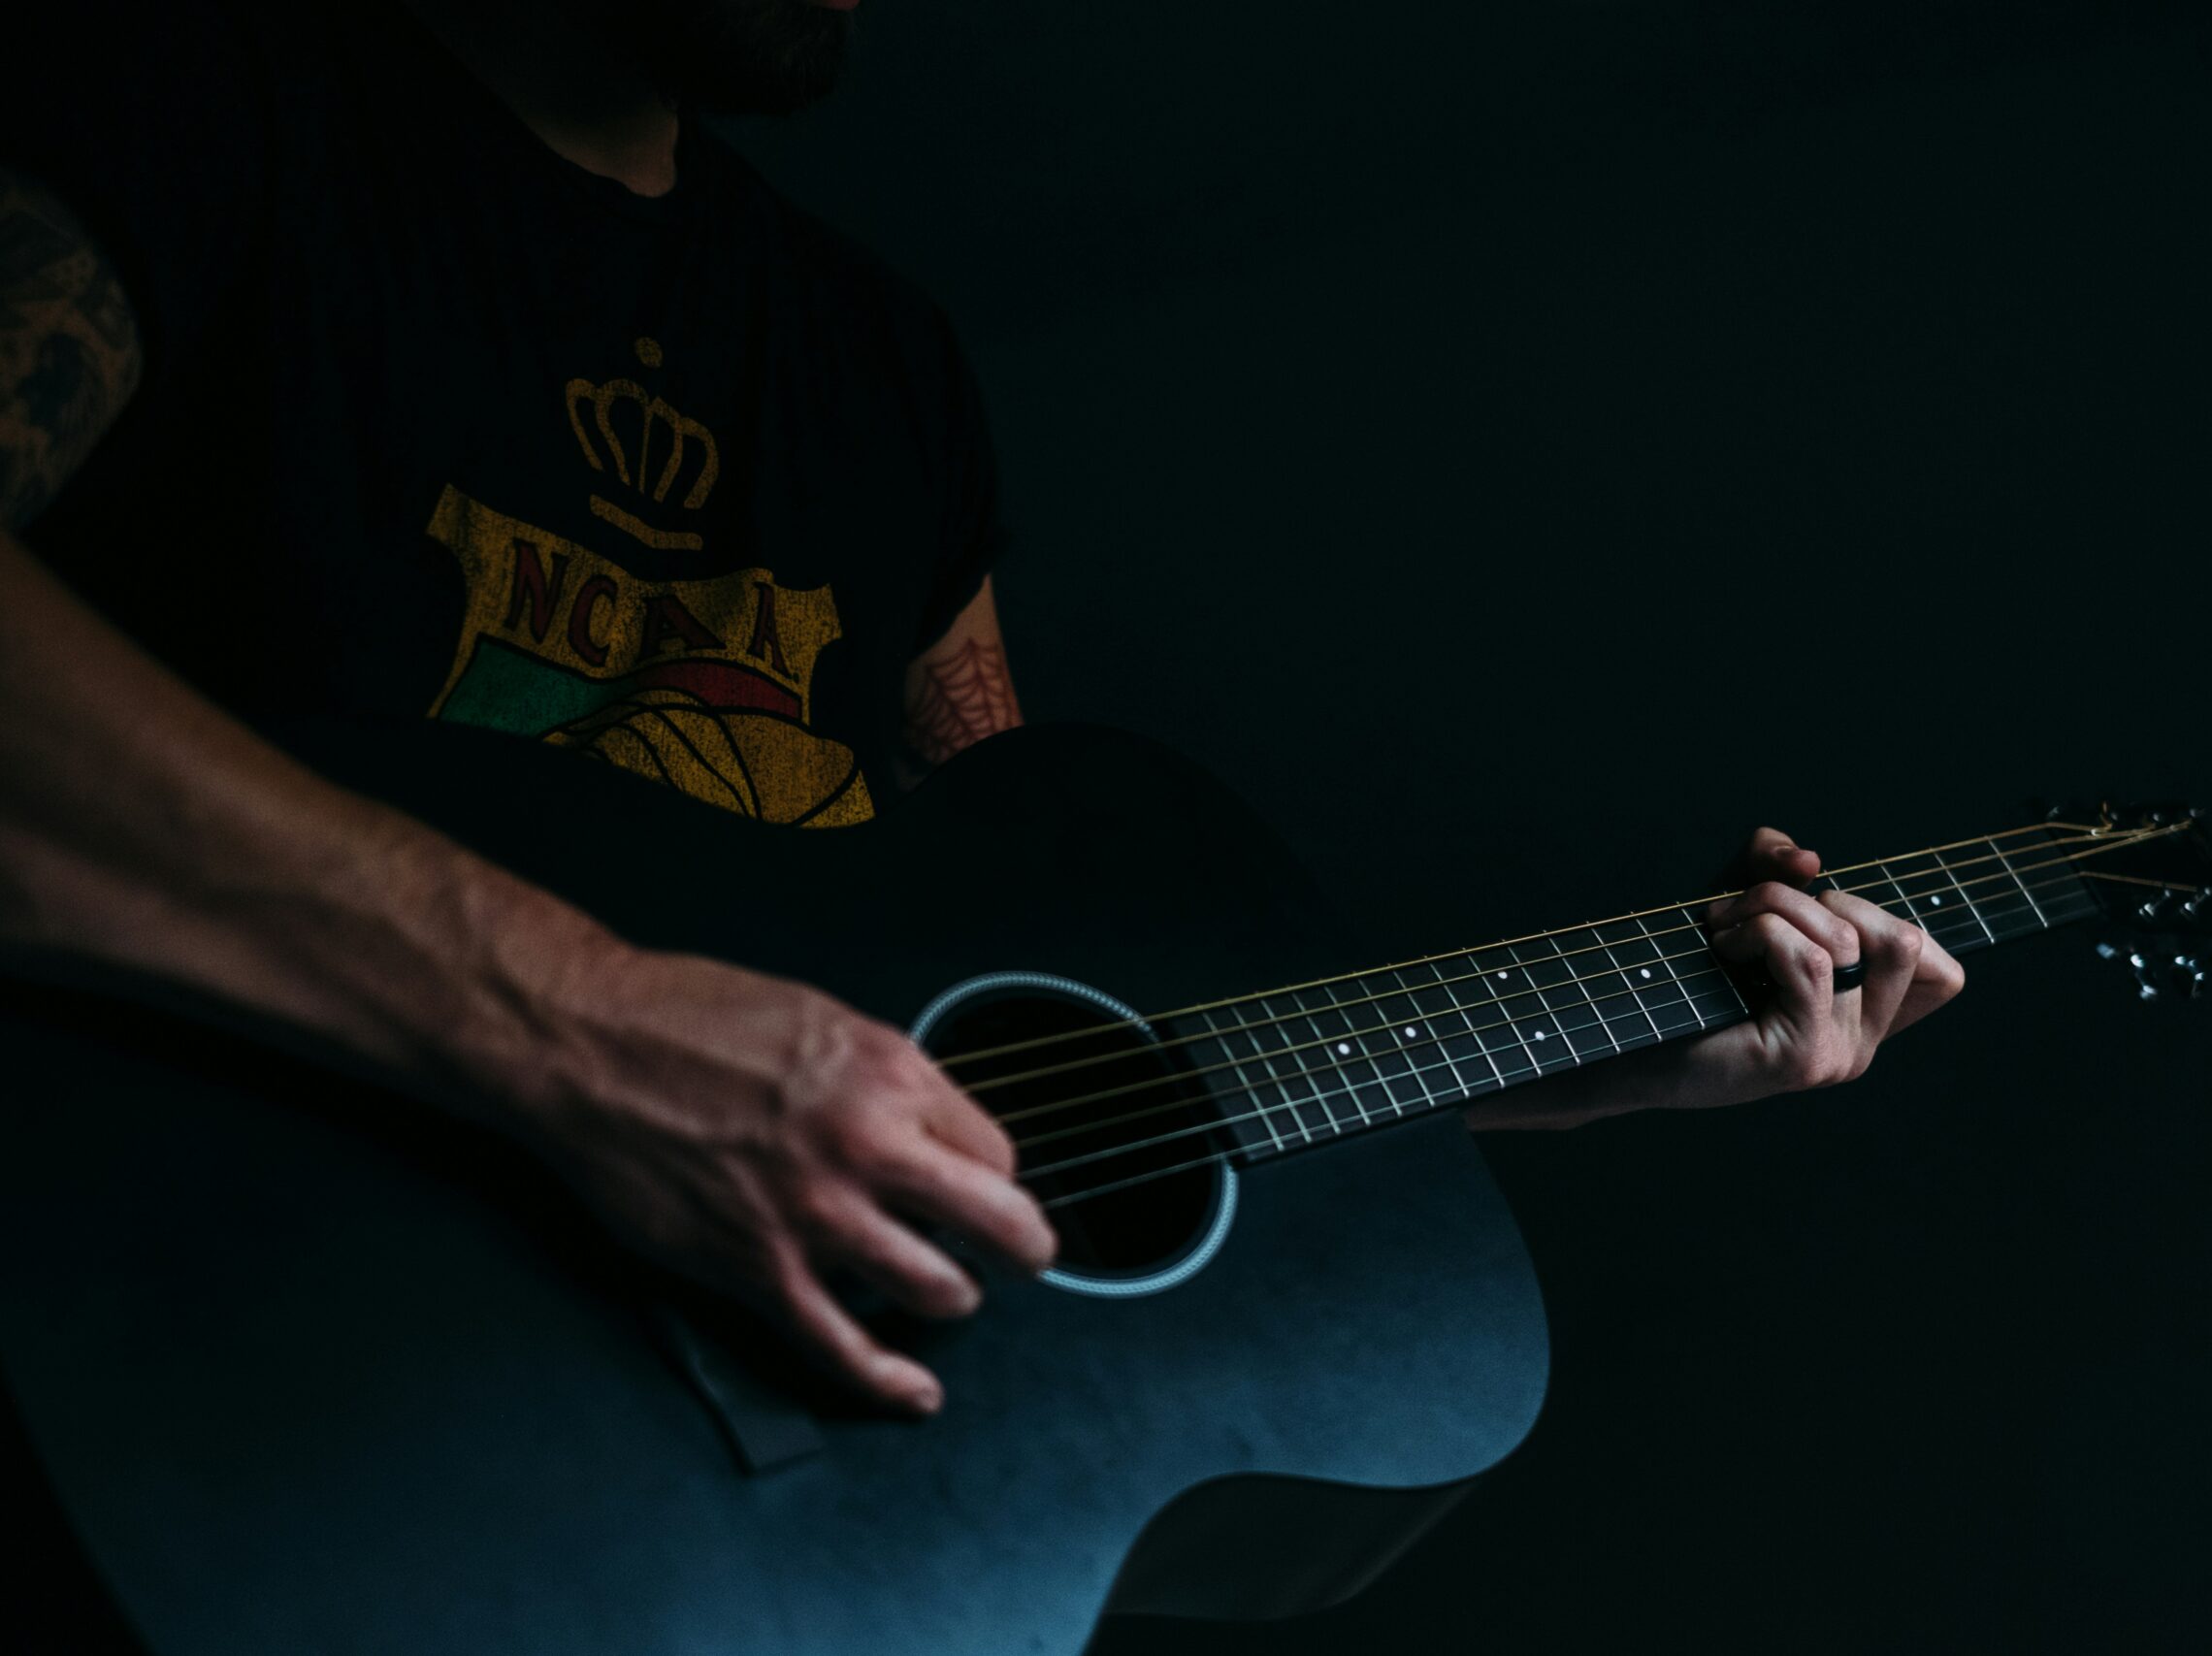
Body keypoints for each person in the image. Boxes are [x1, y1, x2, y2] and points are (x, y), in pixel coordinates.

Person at [0, 0, 1964, 1420]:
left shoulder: (872, 370)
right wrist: (570, 1016)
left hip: (586, 1461)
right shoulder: (174, 90)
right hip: (154, 1332)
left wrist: (1593, 1050)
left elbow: (1030, 1011)